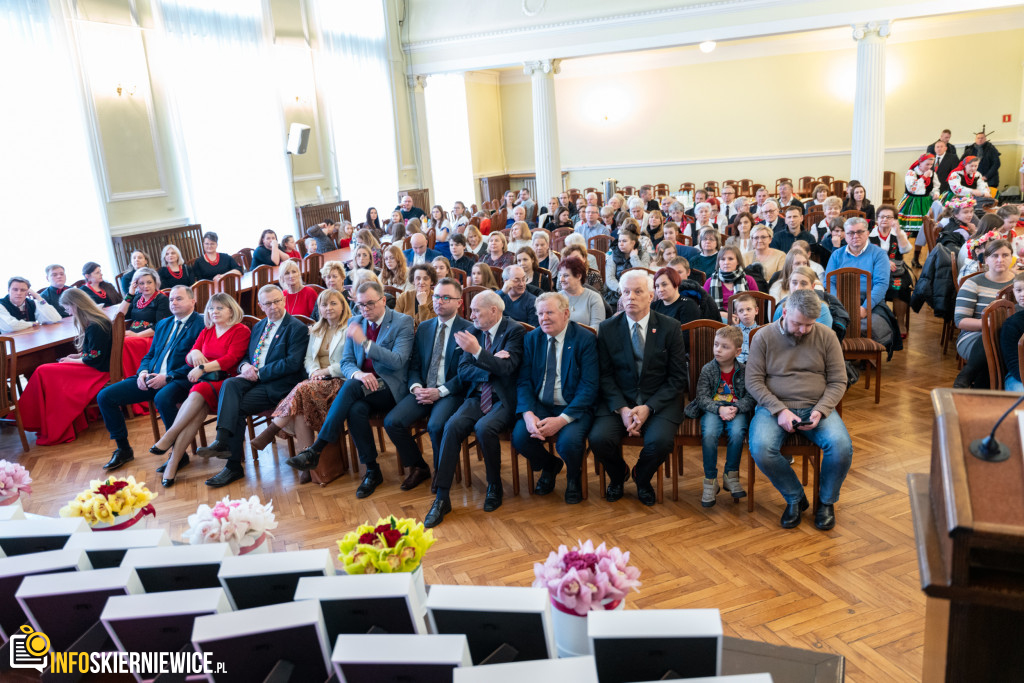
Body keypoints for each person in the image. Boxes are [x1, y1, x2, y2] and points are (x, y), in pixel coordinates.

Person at [285, 282, 413, 495]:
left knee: (351, 387)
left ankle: (317, 449)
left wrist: (366, 344)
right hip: (363, 385)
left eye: (370, 304)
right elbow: (346, 362)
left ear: (383, 300)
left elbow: (398, 361)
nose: (365, 309)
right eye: (361, 305)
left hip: (391, 386)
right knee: (355, 410)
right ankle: (372, 470)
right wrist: (359, 374)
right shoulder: (356, 321)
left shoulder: (402, 321)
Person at [746, 289, 851, 531]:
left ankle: (825, 502)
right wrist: (779, 410)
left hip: (816, 406)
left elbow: (838, 380)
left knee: (841, 446)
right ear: (784, 313)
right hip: (773, 407)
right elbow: (753, 381)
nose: (803, 330)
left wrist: (822, 409)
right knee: (761, 448)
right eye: (798, 323)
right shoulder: (764, 336)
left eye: (809, 325)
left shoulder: (826, 336)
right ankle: (795, 497)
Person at [423, 291, 525, 527]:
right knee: (452, 425)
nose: (471, 315)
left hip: (503, 398)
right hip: (477, 395)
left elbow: (508, 368)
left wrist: (478, 352)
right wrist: (491, 362)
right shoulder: (472, 332)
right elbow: (464, 372)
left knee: (484, 428)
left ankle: (494, 485)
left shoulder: (514, 330)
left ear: (493, 311)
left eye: (476, 310)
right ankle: (442, 497)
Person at [195, 285, 310, 487]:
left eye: (277, 301)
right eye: (268, 303)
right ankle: (223, 442)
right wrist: (245, 365)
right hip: (254, 379)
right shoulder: (258, 327)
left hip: (279, 384)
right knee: (230, 384)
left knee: (235, 409)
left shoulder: (295, 327)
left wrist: (260, 373)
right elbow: (246, 356)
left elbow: (292, 363)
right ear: (260, 306)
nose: (273, 306)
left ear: (283, 300)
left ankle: (232, 466)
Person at [590, 271, 685, 506]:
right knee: (598, 438)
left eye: (638, 291)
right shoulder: (608, 328)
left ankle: (641, 478)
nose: (630, 297)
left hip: (658, 401)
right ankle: (618, 474)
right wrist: (622, 409)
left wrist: (648, 408)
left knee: (660, 443)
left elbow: (677, 378)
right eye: (625, 292)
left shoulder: (670, 327)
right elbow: (604, 376)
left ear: (651, 295)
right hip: (619, 399)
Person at [97, 285, 205, 471]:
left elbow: (197, 361)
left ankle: (178, 454)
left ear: (192, 301)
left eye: (179, 298)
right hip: (152, 376)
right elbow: (150, 355)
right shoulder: (164, 324)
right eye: (171, 299)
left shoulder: (201, 323)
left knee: (162, 398)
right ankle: (123, 449)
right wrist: (142, 372)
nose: (174, 302)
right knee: (105, 396)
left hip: (180, 379)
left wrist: (168, 376)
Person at [247, 289, 349, 485]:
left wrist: (325, 371)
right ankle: (307, 463)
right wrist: (314, 372)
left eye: (333, 303)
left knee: (302, 390)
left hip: (340, 380)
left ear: (343, 305)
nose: (328, 308)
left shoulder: (351, 327)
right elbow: (308, 359)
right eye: (324, 305)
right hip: (316, 382)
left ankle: (271, 430)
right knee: (301, 405)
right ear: (318, 308)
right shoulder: (316, 329)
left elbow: (351, 360)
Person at [147, 293, 249, 486]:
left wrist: (202, 367)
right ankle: (174, 462)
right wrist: (194, 353)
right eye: (211, 308)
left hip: (228, 384)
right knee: (196, 411)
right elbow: (188, 358)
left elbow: (231, 360)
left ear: (231, 310)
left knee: (198, 390)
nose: (214, 312)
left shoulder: (240, 330)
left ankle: (170, 437)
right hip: (205, 384)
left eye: (220, 308)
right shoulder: (207, 331)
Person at [383, 278, 473, 492]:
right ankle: (419, 466)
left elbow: (466, 374)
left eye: (445, 298)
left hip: (450, 392)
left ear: (459, 303)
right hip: (423, 389)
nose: (439, 302)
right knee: (392, 421)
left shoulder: (468, 329)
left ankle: (442, 476)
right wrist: (416, 387)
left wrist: (439, 391)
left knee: (435, 426)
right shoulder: (424, 327)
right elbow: (414, 364)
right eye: (436, 296)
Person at [513, 293, 599, 505]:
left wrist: (562, 419)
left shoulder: (584, 339)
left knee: (568, 442)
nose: (544, 318)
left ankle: (573, 477)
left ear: (566, 313)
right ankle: (550, 466)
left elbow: (589, 386)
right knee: (521, 437)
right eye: (540, 313)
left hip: (573, 407)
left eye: (550, 312)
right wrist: (528, 413)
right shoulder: (532, 338)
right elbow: (523, 381)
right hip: (540, 405)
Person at [19, 288, 113, 445]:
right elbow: (94, 353)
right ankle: (33, 417)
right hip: (93, 367)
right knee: (46, 371)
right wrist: (77, 357)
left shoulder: (96, 325)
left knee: (43, 371)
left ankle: (28, 417)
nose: (68, 312)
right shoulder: (96, 322)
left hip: (96, 372)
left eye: (68, 308)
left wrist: (72, 361)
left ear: (75, 305)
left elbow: (94, 358)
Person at [683, 325, 752, 507]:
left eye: (724, 347)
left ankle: (731, 475)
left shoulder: (744, 370)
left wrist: (737, 408)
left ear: (738, 351)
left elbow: (750, 397)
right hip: (713, 410)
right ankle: (710, 480)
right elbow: (702, 396)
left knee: (737, 432)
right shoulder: (708, 369)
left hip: (735, 409)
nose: (718, 350)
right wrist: (718, 409)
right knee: (710, 433)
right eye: (716, 345)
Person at [953, 239, 1016, 388]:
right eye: (995, 256)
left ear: (1011, 258)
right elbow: (961, 321)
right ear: (986, 259)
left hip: (1012, 337)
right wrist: (992, 324)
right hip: (974, 336)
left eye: (1005, 255)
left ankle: (970, 379)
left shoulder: (1019, 284)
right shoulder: (973, 283)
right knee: (997, 339)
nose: (1000, 260)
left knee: (1002, 338)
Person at [824, 217, 896, 348]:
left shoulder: (879, 254)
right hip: (841, 301)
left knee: (875, 326)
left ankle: (863, 354)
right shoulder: (837, 255)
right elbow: (829, 282)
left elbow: (881, 284)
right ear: (845, 235)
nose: (855, 236)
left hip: (870, 303)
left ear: (867, 233)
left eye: (860, 232)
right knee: (825, 323)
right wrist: (839, 305)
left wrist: (865, 307)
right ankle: (835, 355)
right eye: (850, 233)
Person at [896, 154, 937, 268]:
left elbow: (934, 187)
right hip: (911, 203)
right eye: (927, 164)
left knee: (922, 232)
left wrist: (935, 193)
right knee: (906, 230)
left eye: (931, 164)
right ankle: (901, 258)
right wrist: (923, 177)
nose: (929, 167)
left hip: (925, 203)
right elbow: (912, 188)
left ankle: (915, 258)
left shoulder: (932, 173)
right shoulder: (911, 173)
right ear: (920, 163)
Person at [869, 205, 913, 307]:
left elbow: (905, 250)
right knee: (874, 287)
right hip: (875, 271)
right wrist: (884, 262)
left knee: (900, 289)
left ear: (895, 220)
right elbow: (866, 256)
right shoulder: (869, 235)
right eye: (882, 216)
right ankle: (883, 317)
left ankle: (900, 323)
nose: (885, 219)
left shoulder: (899, 233)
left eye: (889, 217)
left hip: (896, 271)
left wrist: (898, 232)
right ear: (877, 219)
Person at [119, 267, 170, 342]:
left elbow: (162, 326)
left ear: (155, 283)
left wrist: (137, 335)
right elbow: (121, 314)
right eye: (141, 283)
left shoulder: (162, 299)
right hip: (133, 336)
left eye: (149, 282)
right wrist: (130, 294)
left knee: (123, 344)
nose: (146, 286)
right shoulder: (137, 298)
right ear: (136, 285)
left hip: (152, 338)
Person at [604, 228, 650, 307]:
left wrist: (634, 258)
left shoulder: (643, 254)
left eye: (624, 241)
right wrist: (622, 290)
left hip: (638, 292)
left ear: (633, 243)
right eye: (619, 241)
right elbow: (609, 278)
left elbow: (644, 274)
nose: (621, 244)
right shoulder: (613, 255)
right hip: (616, 293)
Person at [705, 245, 757, 315]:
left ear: (738, 261)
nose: (726, 262)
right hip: (718, 320)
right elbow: (704, 306)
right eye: (723, 259)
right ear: (718, 262)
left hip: (744, 318)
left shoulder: (749, 280)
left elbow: (756, 304)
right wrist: (726, 316)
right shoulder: (710, 282)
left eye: (730, 259)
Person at [557, 256, 605, 327]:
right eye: (560, 275)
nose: (561, 280)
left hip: (587, 337)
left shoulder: (594, 298)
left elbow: (596, 328)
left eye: (566, 276)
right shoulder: (556, 298)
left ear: (579, 276)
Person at [1000, 274, 1024, 391]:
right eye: (1019, 290)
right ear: (1014, 292)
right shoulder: (1012, 324)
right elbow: (1014, 363)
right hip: (1018, 376)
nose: (1023, 294)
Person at [312, 261, 354, 325]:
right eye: (328, 277)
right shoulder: (321, 296)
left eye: (335, 276)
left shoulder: (350, 297)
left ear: (342, 278)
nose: (331, 280)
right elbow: (313, 319)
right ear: (325, 280)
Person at [730, 292, 758, 363]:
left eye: (748, 309)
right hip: (736, 366)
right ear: (736, 314)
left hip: (755, 366)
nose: (745, 313)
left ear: (756, 310)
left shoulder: (761, 331)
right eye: (741, 311)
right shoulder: (732, 331)